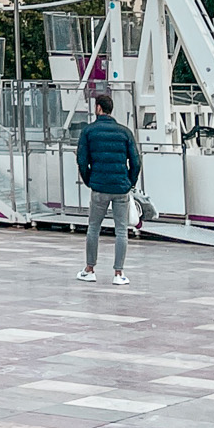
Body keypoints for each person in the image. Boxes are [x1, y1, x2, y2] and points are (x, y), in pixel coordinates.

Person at [76, 90, 141, 285]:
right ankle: (119, 274)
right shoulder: (124, 132)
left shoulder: (88, 131)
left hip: (99, 188)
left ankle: (90, 269)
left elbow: (81, 160)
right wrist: (130, 182)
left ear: (98, 108)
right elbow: (136, 162)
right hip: (121, 188)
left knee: (93, 228)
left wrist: (90, 181)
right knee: (121, 230)